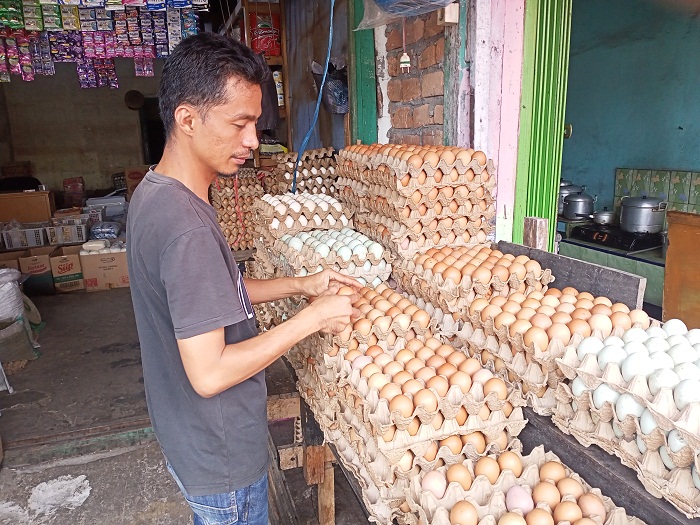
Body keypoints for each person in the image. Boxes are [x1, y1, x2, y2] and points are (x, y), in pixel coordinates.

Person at [126, 32, 360, 525]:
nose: (253, 141)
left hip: (187, 433)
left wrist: (301, 286)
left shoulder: (159, 193)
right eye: (240, 124)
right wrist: (311, 320)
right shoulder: (186, 226)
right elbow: (209, 373)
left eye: (255, 123)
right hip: (221, 452)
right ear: (187, 119)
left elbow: (215, 296)